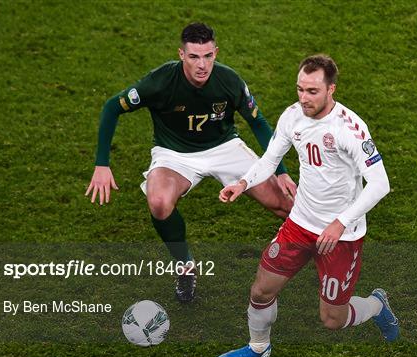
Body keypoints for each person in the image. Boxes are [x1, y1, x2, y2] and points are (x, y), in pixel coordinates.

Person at [85, 23, 296, 303]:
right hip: (174, 155)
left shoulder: (229, 81)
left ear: (216, 52)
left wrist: (280, 171)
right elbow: (113, 106)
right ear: (181, 54)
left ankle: (325, 256)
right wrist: (102, 163)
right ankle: (185, 267)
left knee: (287, 204)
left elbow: (258, 123)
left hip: (225, 148)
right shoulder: (160, 81)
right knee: (159, 203)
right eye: (194, 57)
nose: (202, 65)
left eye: (208, 56)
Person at [214, 54, 399, 357]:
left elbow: (380, 184)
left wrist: (340, 223)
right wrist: (243, 183)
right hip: (299, 223)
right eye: (300, 89)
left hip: (341, 236)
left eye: (312, 91)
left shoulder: (350, 129)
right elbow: (271, 159)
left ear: (331, 90)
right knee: (261, 291)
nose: (304, 98)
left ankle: (377, 306)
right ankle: (259, 347)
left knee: (332, 319)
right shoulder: (292, 116)